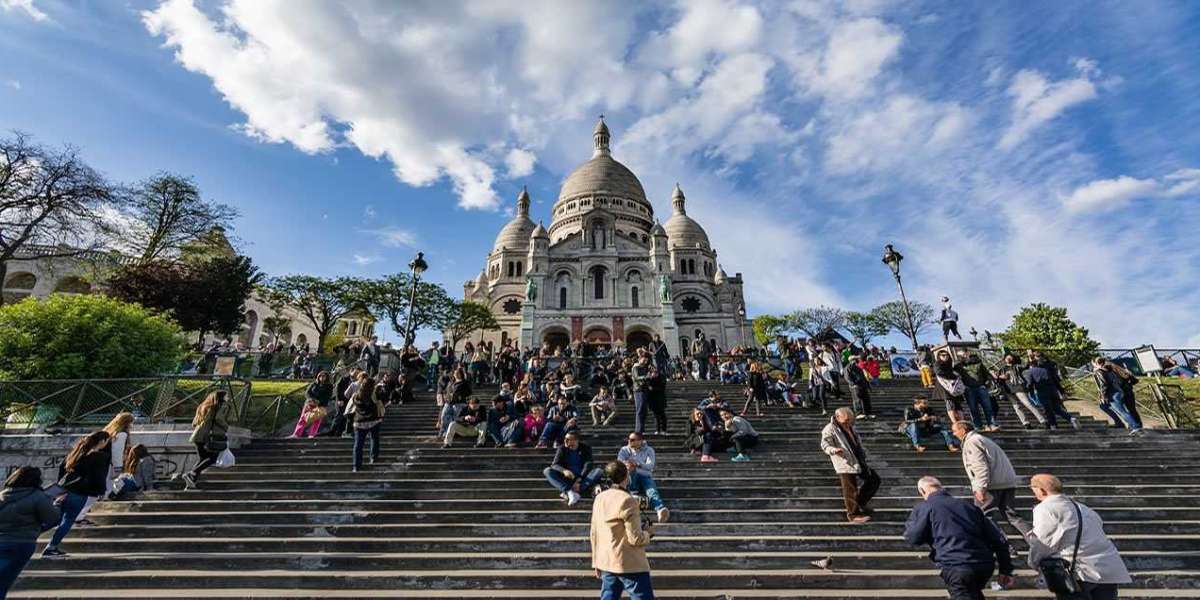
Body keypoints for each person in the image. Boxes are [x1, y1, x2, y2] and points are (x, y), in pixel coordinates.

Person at [903, 476, 1015, 600]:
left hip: (956, 565)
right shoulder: (969, 507)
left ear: (922, 491)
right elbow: (998, 539)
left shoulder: (926, 507)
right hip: (983, 565)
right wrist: (1006, 569)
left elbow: (913, 537)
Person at [1024, 474, 1132, 600]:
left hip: (1079, 572)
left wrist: (1033, 562)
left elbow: (1043, 542)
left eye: (1033, 490)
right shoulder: (1084, 508)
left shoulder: (1045, 508)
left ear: (1041, 490)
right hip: (1107, 568)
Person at [590, 460, 656, 600]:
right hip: (629, 563)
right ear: (626, 476)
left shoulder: (599, 498)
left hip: (607, 560)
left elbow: (594, 532)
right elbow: (635, 538)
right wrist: (648, 533)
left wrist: (596, 561)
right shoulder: (627, 500)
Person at [41, 432, 111, 558]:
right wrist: (101, 491)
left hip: (65, 491)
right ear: (102, 441)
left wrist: (61, 489)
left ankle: (24, 536)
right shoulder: (99, 457)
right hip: (80, 492)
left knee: (57, 520)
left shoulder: (75, 454)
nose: (107, 444)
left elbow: (62, 472)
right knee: (67, 520)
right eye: (107, 441)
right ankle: (51, 547)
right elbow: (98, 477)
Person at [953, 422, 1027, 536]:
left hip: (991, 485)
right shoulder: (982, 439)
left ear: (963, 430)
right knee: (1012, 516)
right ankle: (1036, 542)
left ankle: (1004, 546)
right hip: (1006, 482)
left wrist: (980, 488)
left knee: (982, 516)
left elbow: (980, 466)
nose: (954, 434)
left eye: (955, 431)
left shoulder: (972, 442)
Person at [0, 466, 60, 591]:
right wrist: (57, 505)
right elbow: (52, 519)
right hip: (22, 543)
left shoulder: (2, 495)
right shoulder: (38, 496)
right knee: (5, 582)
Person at [820, 407, 880, 524]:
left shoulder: (850, 426)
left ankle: (860, 503)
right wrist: (833, 450)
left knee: (874, 479)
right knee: (850, 489)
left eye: (850, 420)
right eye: (846, 420)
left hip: (857, 459)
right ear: (837, 417)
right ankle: (853, 514)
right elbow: (824, 444)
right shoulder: (830, 428)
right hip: (844, 462)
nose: (848, 422)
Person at [183, 391, 232, 490]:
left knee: (202, 459)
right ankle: (191, 474)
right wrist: (226, 427)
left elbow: (194, 422)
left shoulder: (202, 406)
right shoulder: (219, 406)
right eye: (226, 396)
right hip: (207, 436)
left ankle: (190, 482)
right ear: (220, 397)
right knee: (213, 458)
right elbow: (219, 418)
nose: (228, 397)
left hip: (197, 435)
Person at [616, 432, 669, 523]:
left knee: (651, 490)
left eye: (632, 440)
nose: (629, 441)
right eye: (629, 439)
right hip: (630, 477)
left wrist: (637, 463)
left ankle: (660, 510)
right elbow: (619, 463)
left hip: (645, 476)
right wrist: (629, 464)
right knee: (632, 470)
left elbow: (650, 466)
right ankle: (633, 491)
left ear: (640, 441)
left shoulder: (649, 450)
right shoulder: (624, 450)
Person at [544, 432, 602, 506]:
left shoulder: (585, 448)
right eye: (565, 439)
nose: (565, 441)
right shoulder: (562, 448)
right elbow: (554, 464)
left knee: (598, 471)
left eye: (568, 439)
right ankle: (569, 492)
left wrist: (579, 479)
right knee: (547, 471)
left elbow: (588, 464)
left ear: (576, 440)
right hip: (568, 477)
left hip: (582, 478)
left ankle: (574, 491)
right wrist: (564, 471)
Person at [1025, 354, 1079, 431]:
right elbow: (1056, 380)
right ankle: (1071, 418)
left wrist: (1030, 393)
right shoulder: (1046, 369)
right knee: (1057, 408)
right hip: (1053, 391)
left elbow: (1030, 384)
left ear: (1031, 365)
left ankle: (1053, 426)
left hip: (1042, 392)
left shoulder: (1031, 371)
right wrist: (1061, 391)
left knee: (1048, 410)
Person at [1091, 358, 1143, 434]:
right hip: (1120, 391)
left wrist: (1103, 396)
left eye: (1093, 364)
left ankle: (1135, 426)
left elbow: (1104, 384)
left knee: (1122, 411)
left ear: (1097, 363)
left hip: (1112, 393)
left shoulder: (1100, 371)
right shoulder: (1109, 368)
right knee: (1104, 406)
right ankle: (1126, 424)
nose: (1093, 367)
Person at [995, 355, 1046, 430]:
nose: (1008, 359)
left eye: (1010, 357)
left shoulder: (1017, 366)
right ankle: (1025, 423)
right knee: (1017, 407)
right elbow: (998, 380)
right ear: (1004, 359)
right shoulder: (1002, 369)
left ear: (1013, 359)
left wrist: (1030, 358)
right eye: (1007, 358)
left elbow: (1026, 366)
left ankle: (1043, 421)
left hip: (1018, 388)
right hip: (1008, 390)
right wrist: (999, 377)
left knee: (1028, 404)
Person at [346, 377, 384, 471]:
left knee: (358, 444)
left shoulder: (356, 395)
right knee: (374, 439)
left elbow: (350, 407)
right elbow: (382, 400)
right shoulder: (374, 394)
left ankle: (356, 465)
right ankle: (373, 458)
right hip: (374, 420)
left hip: (359, 422)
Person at [956, 351, 998, 432]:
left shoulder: (978, 363)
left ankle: (992, 424)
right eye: (961, 355)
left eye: (965, 354)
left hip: (980, 387)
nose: (964, 356)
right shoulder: (958, 366)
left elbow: (986, 374)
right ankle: (978, 426)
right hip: (968, 389)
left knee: (987, 406)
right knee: (973, 408)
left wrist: (986, 383)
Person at [933, 350, 968, 425]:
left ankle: (962, 421)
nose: (945, 357)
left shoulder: (950, 364)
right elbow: (939, 372)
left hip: (954, 386)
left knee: (958, 404)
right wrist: (953, 375)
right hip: (945, 387)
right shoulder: (938, 363)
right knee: (950, 404)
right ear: (939, 356)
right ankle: (955, 423)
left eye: (947, 355)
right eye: (943, 355)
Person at [630, 354, 653, 434]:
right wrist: (646, 376)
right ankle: (638, 430)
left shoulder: (644, 368)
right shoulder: (635, 367)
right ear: (639, 359)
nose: (645, 361)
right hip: (638, 390)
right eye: (644, 359)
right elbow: (636, 377)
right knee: (640, 410)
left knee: (644, 410)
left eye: (646, 360)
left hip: (644, 389)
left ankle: (642, 429)